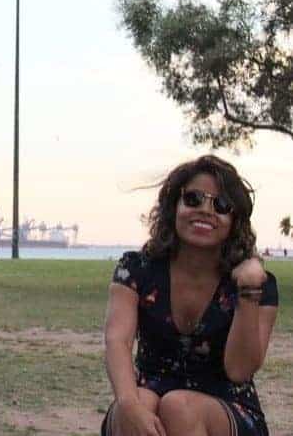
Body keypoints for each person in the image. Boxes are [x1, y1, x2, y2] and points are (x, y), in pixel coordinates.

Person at [102, 155, 278, 436]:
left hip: (226, 406)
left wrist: (247, 292)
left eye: (221, 205)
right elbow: (117, 339)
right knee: (139, 402)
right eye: (194, 199)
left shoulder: (258, 286)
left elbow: (239, 370)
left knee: (179, 407)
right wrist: (127, 403)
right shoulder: (136, 269)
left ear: (234, 220)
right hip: (149, 395)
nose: (206, 210)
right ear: (175, 207)